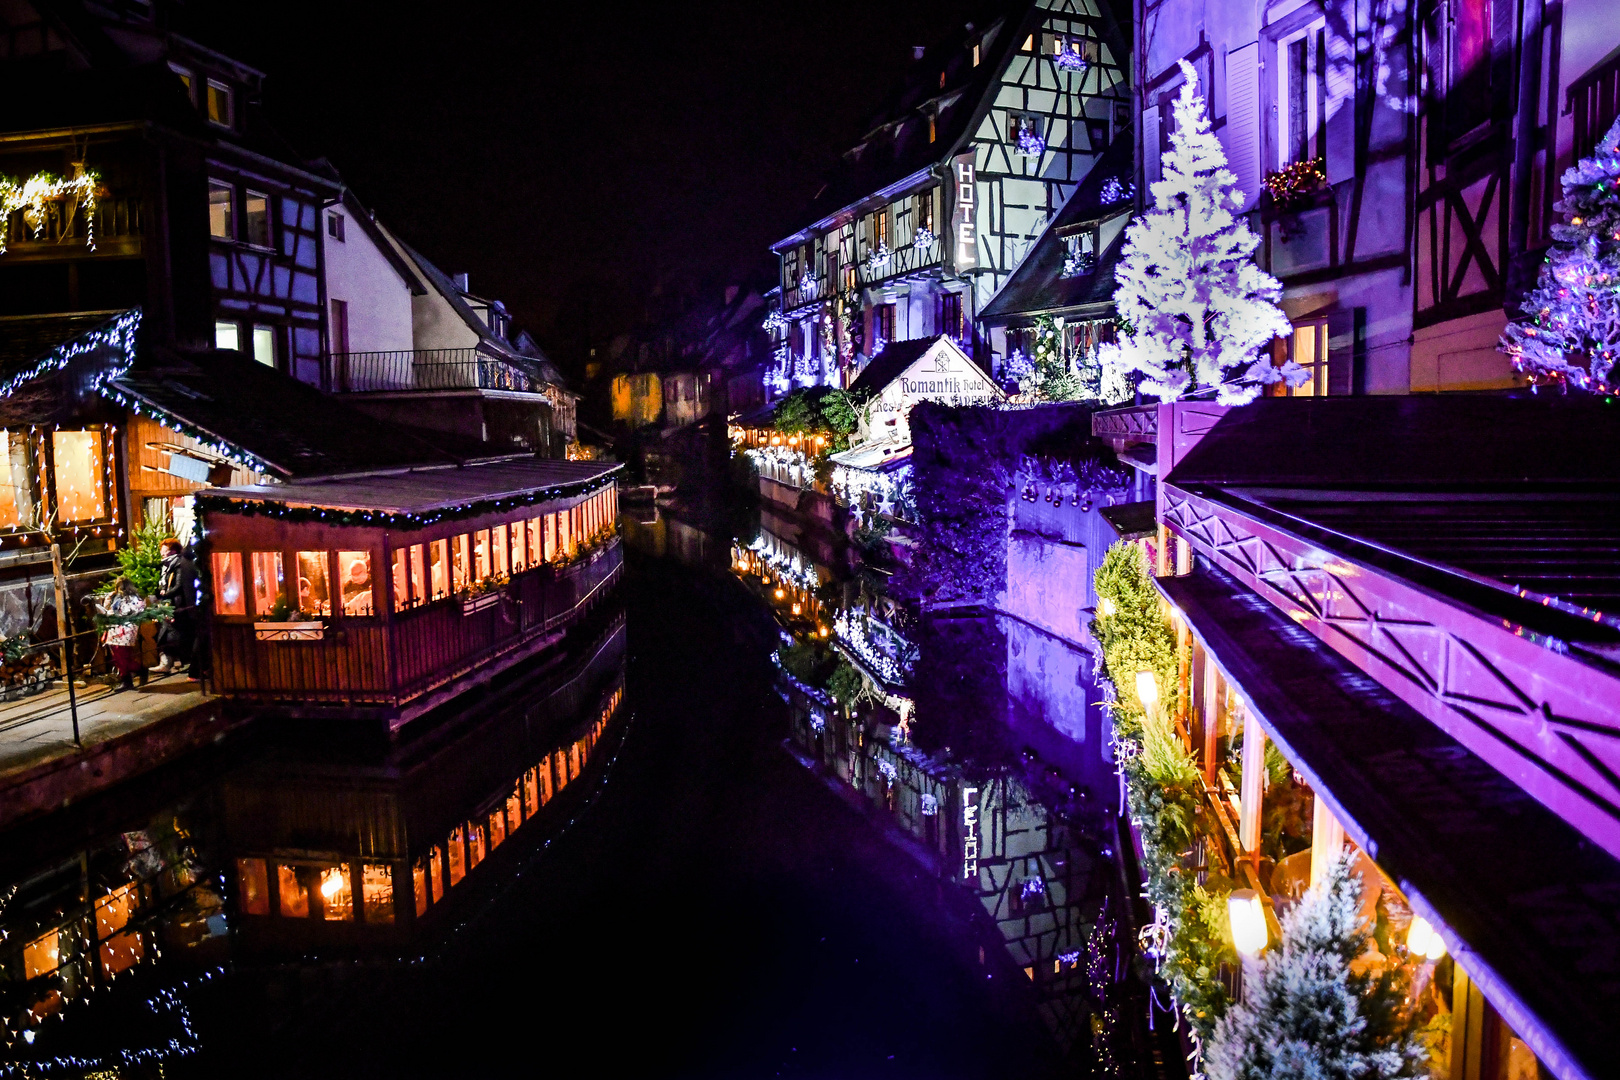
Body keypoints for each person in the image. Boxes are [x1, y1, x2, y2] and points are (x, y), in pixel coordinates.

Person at [154, 537, 198, 676]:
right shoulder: (166, 566)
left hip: (178, 604)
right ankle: (170, 661)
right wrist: (161, 590)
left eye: (165, 550)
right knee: (168, 632)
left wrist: (165, 594)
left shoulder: (178, 564)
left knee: (176, 633)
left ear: (173, 551)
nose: (162, 553)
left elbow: (179, 585)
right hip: (169, 603)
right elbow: (166, 582)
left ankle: (178, 662)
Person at [99, 577, 146, 692]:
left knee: (121, 656)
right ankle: (127, 680)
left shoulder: (131, 598)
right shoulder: (115, 597)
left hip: (124, 629)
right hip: (119, 629)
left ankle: (139, 670)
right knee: (118, 656)